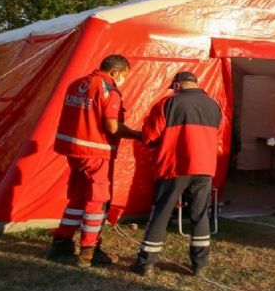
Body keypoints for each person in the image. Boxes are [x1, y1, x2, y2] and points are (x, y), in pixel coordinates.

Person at [45, 54, 142, 267]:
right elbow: (112, 127)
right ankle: (89, 251)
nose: (123, 80)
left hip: (74, 151)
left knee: (78, 198)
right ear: (114, 72)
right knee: (98, 202)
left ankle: (61, 242)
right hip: (96, 153)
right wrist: (138, 135)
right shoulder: (108, 89)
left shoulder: (76, 84)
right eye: (124, 75)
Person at [130, 71, 222, 277]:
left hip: (175, 166)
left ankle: (146, 263)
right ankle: (199, 264)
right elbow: (218, 134)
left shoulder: (167, 103)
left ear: (178, 85)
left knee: (161, 212)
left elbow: (151, 136)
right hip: (204, 167)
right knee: (200, 215)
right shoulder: (215, 106)